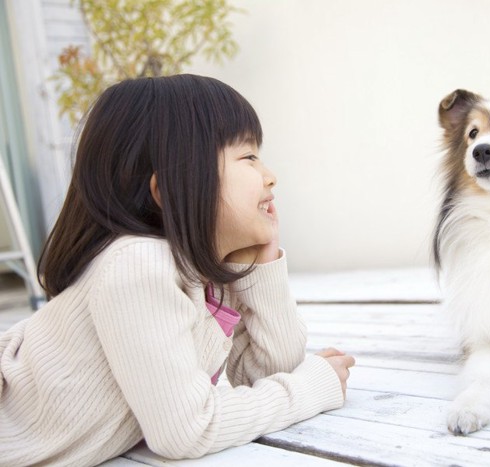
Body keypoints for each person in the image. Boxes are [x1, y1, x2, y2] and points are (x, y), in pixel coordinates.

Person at [0, 74, 355, 466]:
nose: (270, 175)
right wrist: (310, 388)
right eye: (249, 157)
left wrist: (263, 265)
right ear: (169, 189)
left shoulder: (200, 277)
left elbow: (261, 376)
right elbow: (187, 431)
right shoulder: (138, 265)